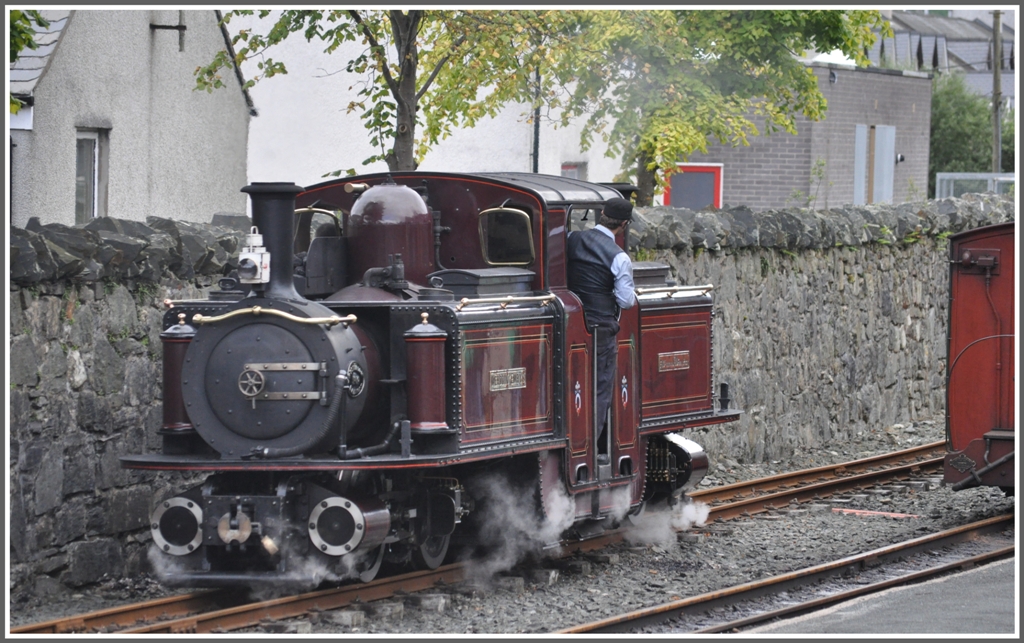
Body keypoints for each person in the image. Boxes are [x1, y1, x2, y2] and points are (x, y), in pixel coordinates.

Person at [566, 197, 637, 464]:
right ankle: (589, 450)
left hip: (571, 325)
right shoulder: (619, 257)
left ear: (602, 215)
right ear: (624, 224)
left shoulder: (571, 239)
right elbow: (626, 301)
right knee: (599, 390)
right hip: (600, 329)